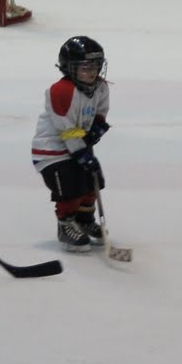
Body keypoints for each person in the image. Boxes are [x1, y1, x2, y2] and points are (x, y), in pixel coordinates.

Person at [31, 36, 110, 253]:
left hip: (76, 144)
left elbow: (100, 112)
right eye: (85, 67)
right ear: (69, 68)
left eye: (95, 65)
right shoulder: (61, 91)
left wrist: (97, 128)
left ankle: (84, 220)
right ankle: (66, 224)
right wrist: (82, 153)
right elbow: (65, 129)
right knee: (72, 186)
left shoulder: (101, 87)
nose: (92, 72)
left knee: (93, 180)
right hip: (52, 151)